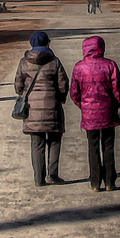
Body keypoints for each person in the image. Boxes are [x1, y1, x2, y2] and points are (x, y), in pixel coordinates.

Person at [15, 31, 70, 186]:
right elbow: (63, 84)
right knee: (54, 141)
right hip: (52, 106)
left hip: (32, 109)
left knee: (36, 144)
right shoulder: (54, 61)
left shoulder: (24, 62)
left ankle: (39, 178)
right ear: (47, 43)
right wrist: (60, 97)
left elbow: (18, 85)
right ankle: (53, 174)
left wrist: (24, 93)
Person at [71, 35, 120, 191]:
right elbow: (118, 89)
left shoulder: (79, 67)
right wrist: (117, 104)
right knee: (108, 146)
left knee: (92, 147)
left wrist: (83, 106)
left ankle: (95, 182)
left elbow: (74, 92)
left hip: (89, 113)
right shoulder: (110, 65)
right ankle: (109, 181)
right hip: (108, 110)